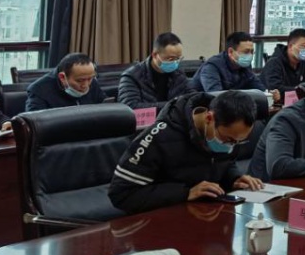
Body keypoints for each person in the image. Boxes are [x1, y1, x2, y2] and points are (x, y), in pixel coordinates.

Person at [109, 89, 263, 214]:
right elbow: (122, 194)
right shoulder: (160, 136)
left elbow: (223, 162)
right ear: (209, 118)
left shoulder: (227, 131)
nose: (231, 146)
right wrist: (185, 193)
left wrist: (233, 178)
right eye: (229, 140)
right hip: (163, 222)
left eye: (239, 142)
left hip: (208, 215)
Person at [194, 31, 276, 101]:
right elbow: (215, 97)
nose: (250, 55)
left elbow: (256, 86)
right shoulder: (211, 67)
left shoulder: (244, 65)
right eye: (246, 52)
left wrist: (269, 94)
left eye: (252, 52)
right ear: (230, 51)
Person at [118, 32, 191, 109]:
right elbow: (130, 107)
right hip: (151, 117)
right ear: (155, 55)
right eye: (171, 59)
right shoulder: (132, 76)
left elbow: (190, 95)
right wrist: (172, 105)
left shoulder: (178, 73)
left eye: (178, 58)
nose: (175, 62)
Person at [25, 52, 106, 111]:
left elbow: (103, 106)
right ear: (62, 77)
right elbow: (35, 123)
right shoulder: (39, 90)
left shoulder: (91, 81)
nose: (86, 85)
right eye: (80, 80)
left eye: (90, 79)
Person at [261, 28, 305, 94]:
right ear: (290, 46)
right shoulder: (274, 63)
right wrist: (302, 90)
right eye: (304, 46)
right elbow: (275, 89)